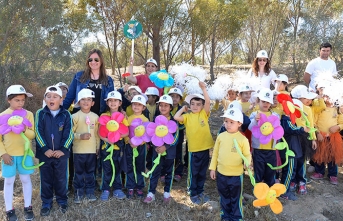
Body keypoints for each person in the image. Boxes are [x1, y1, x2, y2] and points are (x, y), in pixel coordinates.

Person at [35, 86, 74, 216]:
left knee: (61, 178)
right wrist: (45, 149)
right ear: (45, 99)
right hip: (45, 155)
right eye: (48, 96)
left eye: (55, 96)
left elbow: (69, 134)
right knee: (46, 179)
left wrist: (63, 149)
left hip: (61, 155)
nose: (51, 99)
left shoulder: (66, 114)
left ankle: (62, 200)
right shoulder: (40, 113)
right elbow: (38, 132)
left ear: (61, 100)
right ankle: (46, 202)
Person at [174, 81, 214, 205]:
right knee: (193, 172)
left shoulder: (204, 114)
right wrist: (183, 109)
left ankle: (200, 191)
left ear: (202, 106)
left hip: (205, 149)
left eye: (198, 104)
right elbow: (176, 117)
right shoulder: (187, 117)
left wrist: (204, 89)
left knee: (202, 172)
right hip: (193, 151)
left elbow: (208, 102)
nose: (195, 106)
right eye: (192, 104)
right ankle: (192, 192)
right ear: (189, 105)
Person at [209, 107, 251, 221]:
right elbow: (215, 153)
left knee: (236, 197)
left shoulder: (243, 139)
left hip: (236, 175)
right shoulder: (221, 136)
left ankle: (236, 217)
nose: (228, 124)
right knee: (224, 196)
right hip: (222, 174)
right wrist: (213, 168)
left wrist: (247, 163)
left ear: (239, 123)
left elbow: (247, 154)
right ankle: (225, 215)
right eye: (226, 121)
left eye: (231, 122)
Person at [1, 85, 35, 221]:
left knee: (26, 179)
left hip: (25, 154)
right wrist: (3, 153)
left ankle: (28, 207)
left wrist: (24, 129)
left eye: (22, 100)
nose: (20, 103)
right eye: (17, 100)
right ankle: (9, 209)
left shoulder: (29, 115)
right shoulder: (2, 116)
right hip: (9, 155)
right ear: (9, 100)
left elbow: (32, 135)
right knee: (9, 181)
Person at [143, 95, 178, 204]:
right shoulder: (156, 119)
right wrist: (155, 147)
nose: (163, 108)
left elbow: (175, 138)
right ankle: (151, 193)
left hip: (169, 153)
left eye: (166, 105)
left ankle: (167, 193)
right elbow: (151, 134)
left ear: (171, 107)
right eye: (161, 105)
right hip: (156, 152)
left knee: (169, 172)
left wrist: (165, 147)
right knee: (155, 172)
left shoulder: (174, 121)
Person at [63, 48, 114, 116]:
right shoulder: (79, 76)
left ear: (101, 61)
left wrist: (120, 111)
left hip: (99, 118)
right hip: (79, 116)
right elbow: (69, 97)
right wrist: (60, 113)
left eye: (96, 60)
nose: (93, 62)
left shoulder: (108, 80)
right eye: (90, 60)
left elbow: (112, 100)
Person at [99, 91, 129, 201]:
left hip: (119, 146)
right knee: (106, 167)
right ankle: (105, 189)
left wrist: (116, 138)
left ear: (120, 103)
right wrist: (108, 140)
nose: (113, 102)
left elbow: (126, 132)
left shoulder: (123, 116)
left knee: (117, 167)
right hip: (106, 146)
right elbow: (100, 132)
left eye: (115, 100)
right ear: (107, 103)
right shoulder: (103, 116)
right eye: (110, 100)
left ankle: (117, 188)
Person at [72, 89, 100, 203]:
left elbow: (97, 134)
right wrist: (80, 136)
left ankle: (90, 191)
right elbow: (69, 134)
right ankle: (78, 192)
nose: (86, 102)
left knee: (90, 171)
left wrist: (97, 147)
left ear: (93, 103)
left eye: (89, 99)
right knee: (78, 172)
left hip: (91, 150)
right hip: (78, 150)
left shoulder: (95, 117)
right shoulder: (74, 116)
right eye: (83, 99)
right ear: (78, 102)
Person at [279, 99, 310, 201]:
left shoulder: (288, 120)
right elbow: (292, 129)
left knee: (289, 171)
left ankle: (286, 189)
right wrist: (302, 129)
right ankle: (285, 192)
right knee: (288, 172)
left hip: (292, 150)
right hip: (290, 151)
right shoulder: (285, 120)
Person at [248, 88, 279, 187]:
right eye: (263, 101)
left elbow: (277, 130)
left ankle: (269, 188)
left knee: (270, 170)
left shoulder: (275, 115)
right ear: (258, 101)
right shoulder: (254, 114)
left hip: (271, 149)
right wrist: (255, 121)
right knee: (259, 170)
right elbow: (250, 128)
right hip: (258, 149)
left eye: (268, 102)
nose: (265, 104)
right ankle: (258, 189)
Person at [310, 92, 343, 185]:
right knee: (320, 154)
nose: (327, 98)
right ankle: (319, 172)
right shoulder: (320, 109)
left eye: (329, 96)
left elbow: (342, 121)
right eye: (325, 96)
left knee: (332, 156)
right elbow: (314, 122)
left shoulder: (337, 109)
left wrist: (338, 127)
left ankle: (333, 174)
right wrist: (317, 133)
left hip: (333, 137)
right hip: (321, 136)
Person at [125, 94, 149, 199]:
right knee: (130, 165)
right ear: (131, 105)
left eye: (139, 105)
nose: (137, 106)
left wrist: (139, 143)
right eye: (135, 104)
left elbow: (147, 135)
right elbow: (125, 132)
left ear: (144, 107)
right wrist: (129, 141)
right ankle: (130, 187)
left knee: (140, 166)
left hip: (140, 146)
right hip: (130, 145)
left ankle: (139, 186)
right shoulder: (128, 119)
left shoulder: (146, 120)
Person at [168, 87, 185, 182]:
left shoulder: (182, 110)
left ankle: (178, 172)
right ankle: (167, 171)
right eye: (172, 96)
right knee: (168, 153)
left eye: (177, 97)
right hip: (167, 136)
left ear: (180, 99)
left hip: (179, 136)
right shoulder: (166, 108)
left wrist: (178, 128)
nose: (174, 99)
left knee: (178, 153)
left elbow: (184, 125)